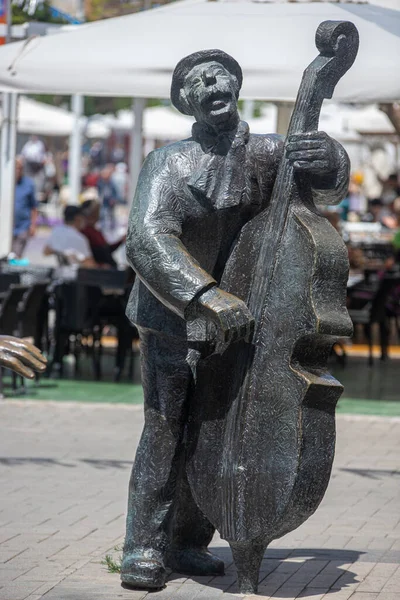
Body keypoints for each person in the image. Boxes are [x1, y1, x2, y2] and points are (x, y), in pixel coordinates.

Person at [121, 50, 350, 589]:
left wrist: (330, 157)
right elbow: (147, 238)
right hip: (173, 314)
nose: (211, 83)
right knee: (166, 428)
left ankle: (188, 541)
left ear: (236, 85)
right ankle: (143, 547)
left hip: (243, 315)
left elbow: (326, 185)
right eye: (197, 81)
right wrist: (203, 294)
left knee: (216, 424)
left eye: (220, 74)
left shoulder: (267, 153)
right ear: (186, 102)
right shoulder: (168, 163)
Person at [80, 200, 125, 268]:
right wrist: (99, 266)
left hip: (109, 268)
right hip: (101, 272)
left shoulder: (96, 231)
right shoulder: (85, 231)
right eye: (96, 211)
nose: (98, 214)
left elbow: (107, 250)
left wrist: (121, 241)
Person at [12, 156, 38, 258]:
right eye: (15, 168)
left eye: (19, 168)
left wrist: (33, 225)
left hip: (23, 226)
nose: (17, 171)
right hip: (6, 226)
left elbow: (34, 207)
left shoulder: (28, 184)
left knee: (16, 255)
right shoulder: (5, 182)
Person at [97, 164, 119, 231]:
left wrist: (114, 199)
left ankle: (112, 227)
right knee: (103, 213)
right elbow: (99, 192)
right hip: (103, 201)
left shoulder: (112, 183)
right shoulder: (100, 182)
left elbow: (115, 192)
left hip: (110, 201)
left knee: (111, 214)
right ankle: (103, 226)